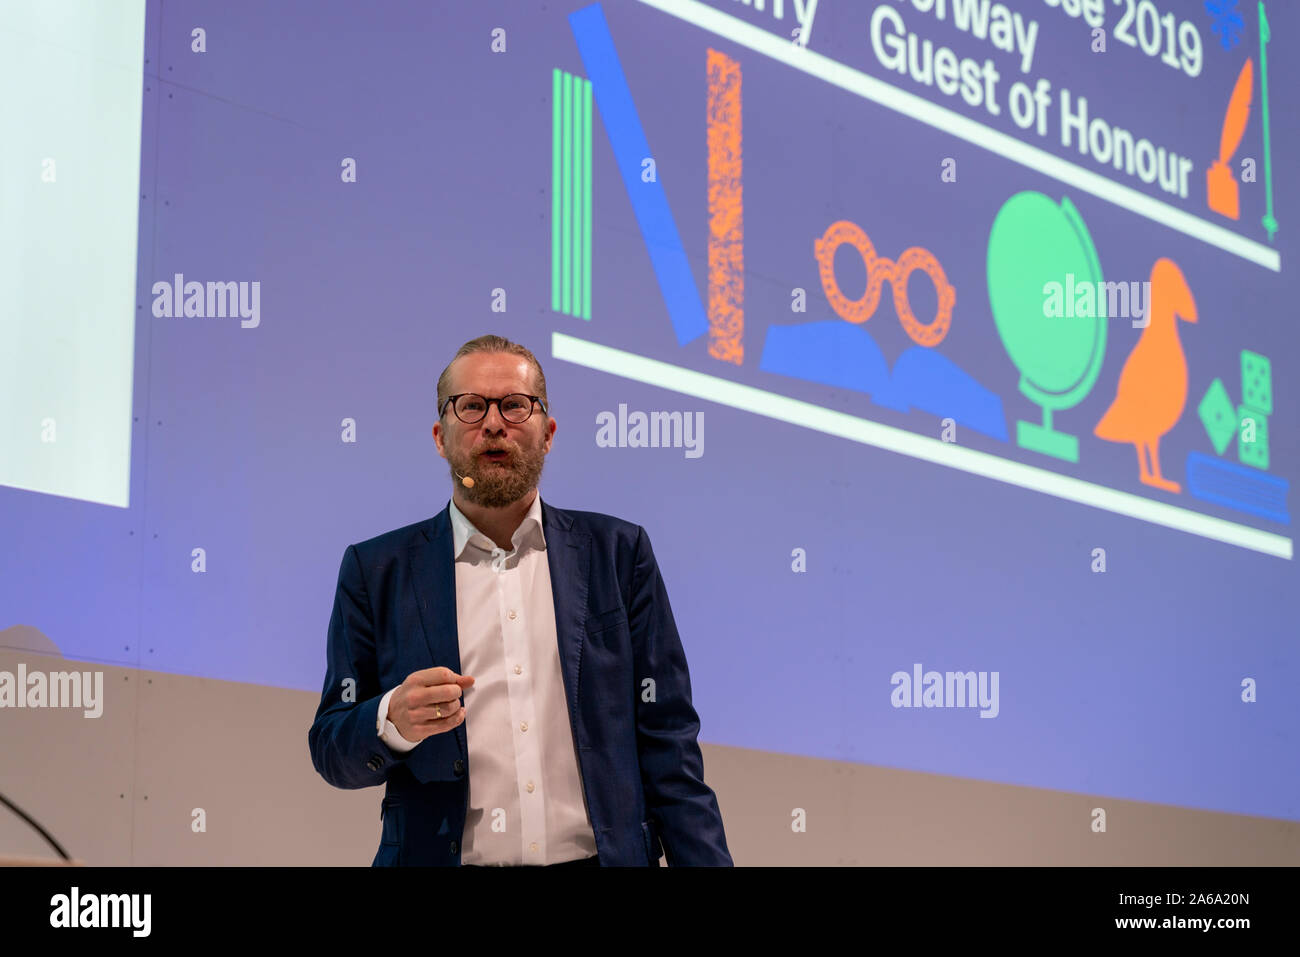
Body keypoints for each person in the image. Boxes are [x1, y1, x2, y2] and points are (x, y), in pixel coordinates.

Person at [308, 334, 732, 867]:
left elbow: (670, 745)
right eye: (471, 406)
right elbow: (330, 747)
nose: (492, 423)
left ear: (548, 432)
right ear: (440, 437)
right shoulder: (376, 571)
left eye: (514, 404)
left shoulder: (619, 556)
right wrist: (390, 719)